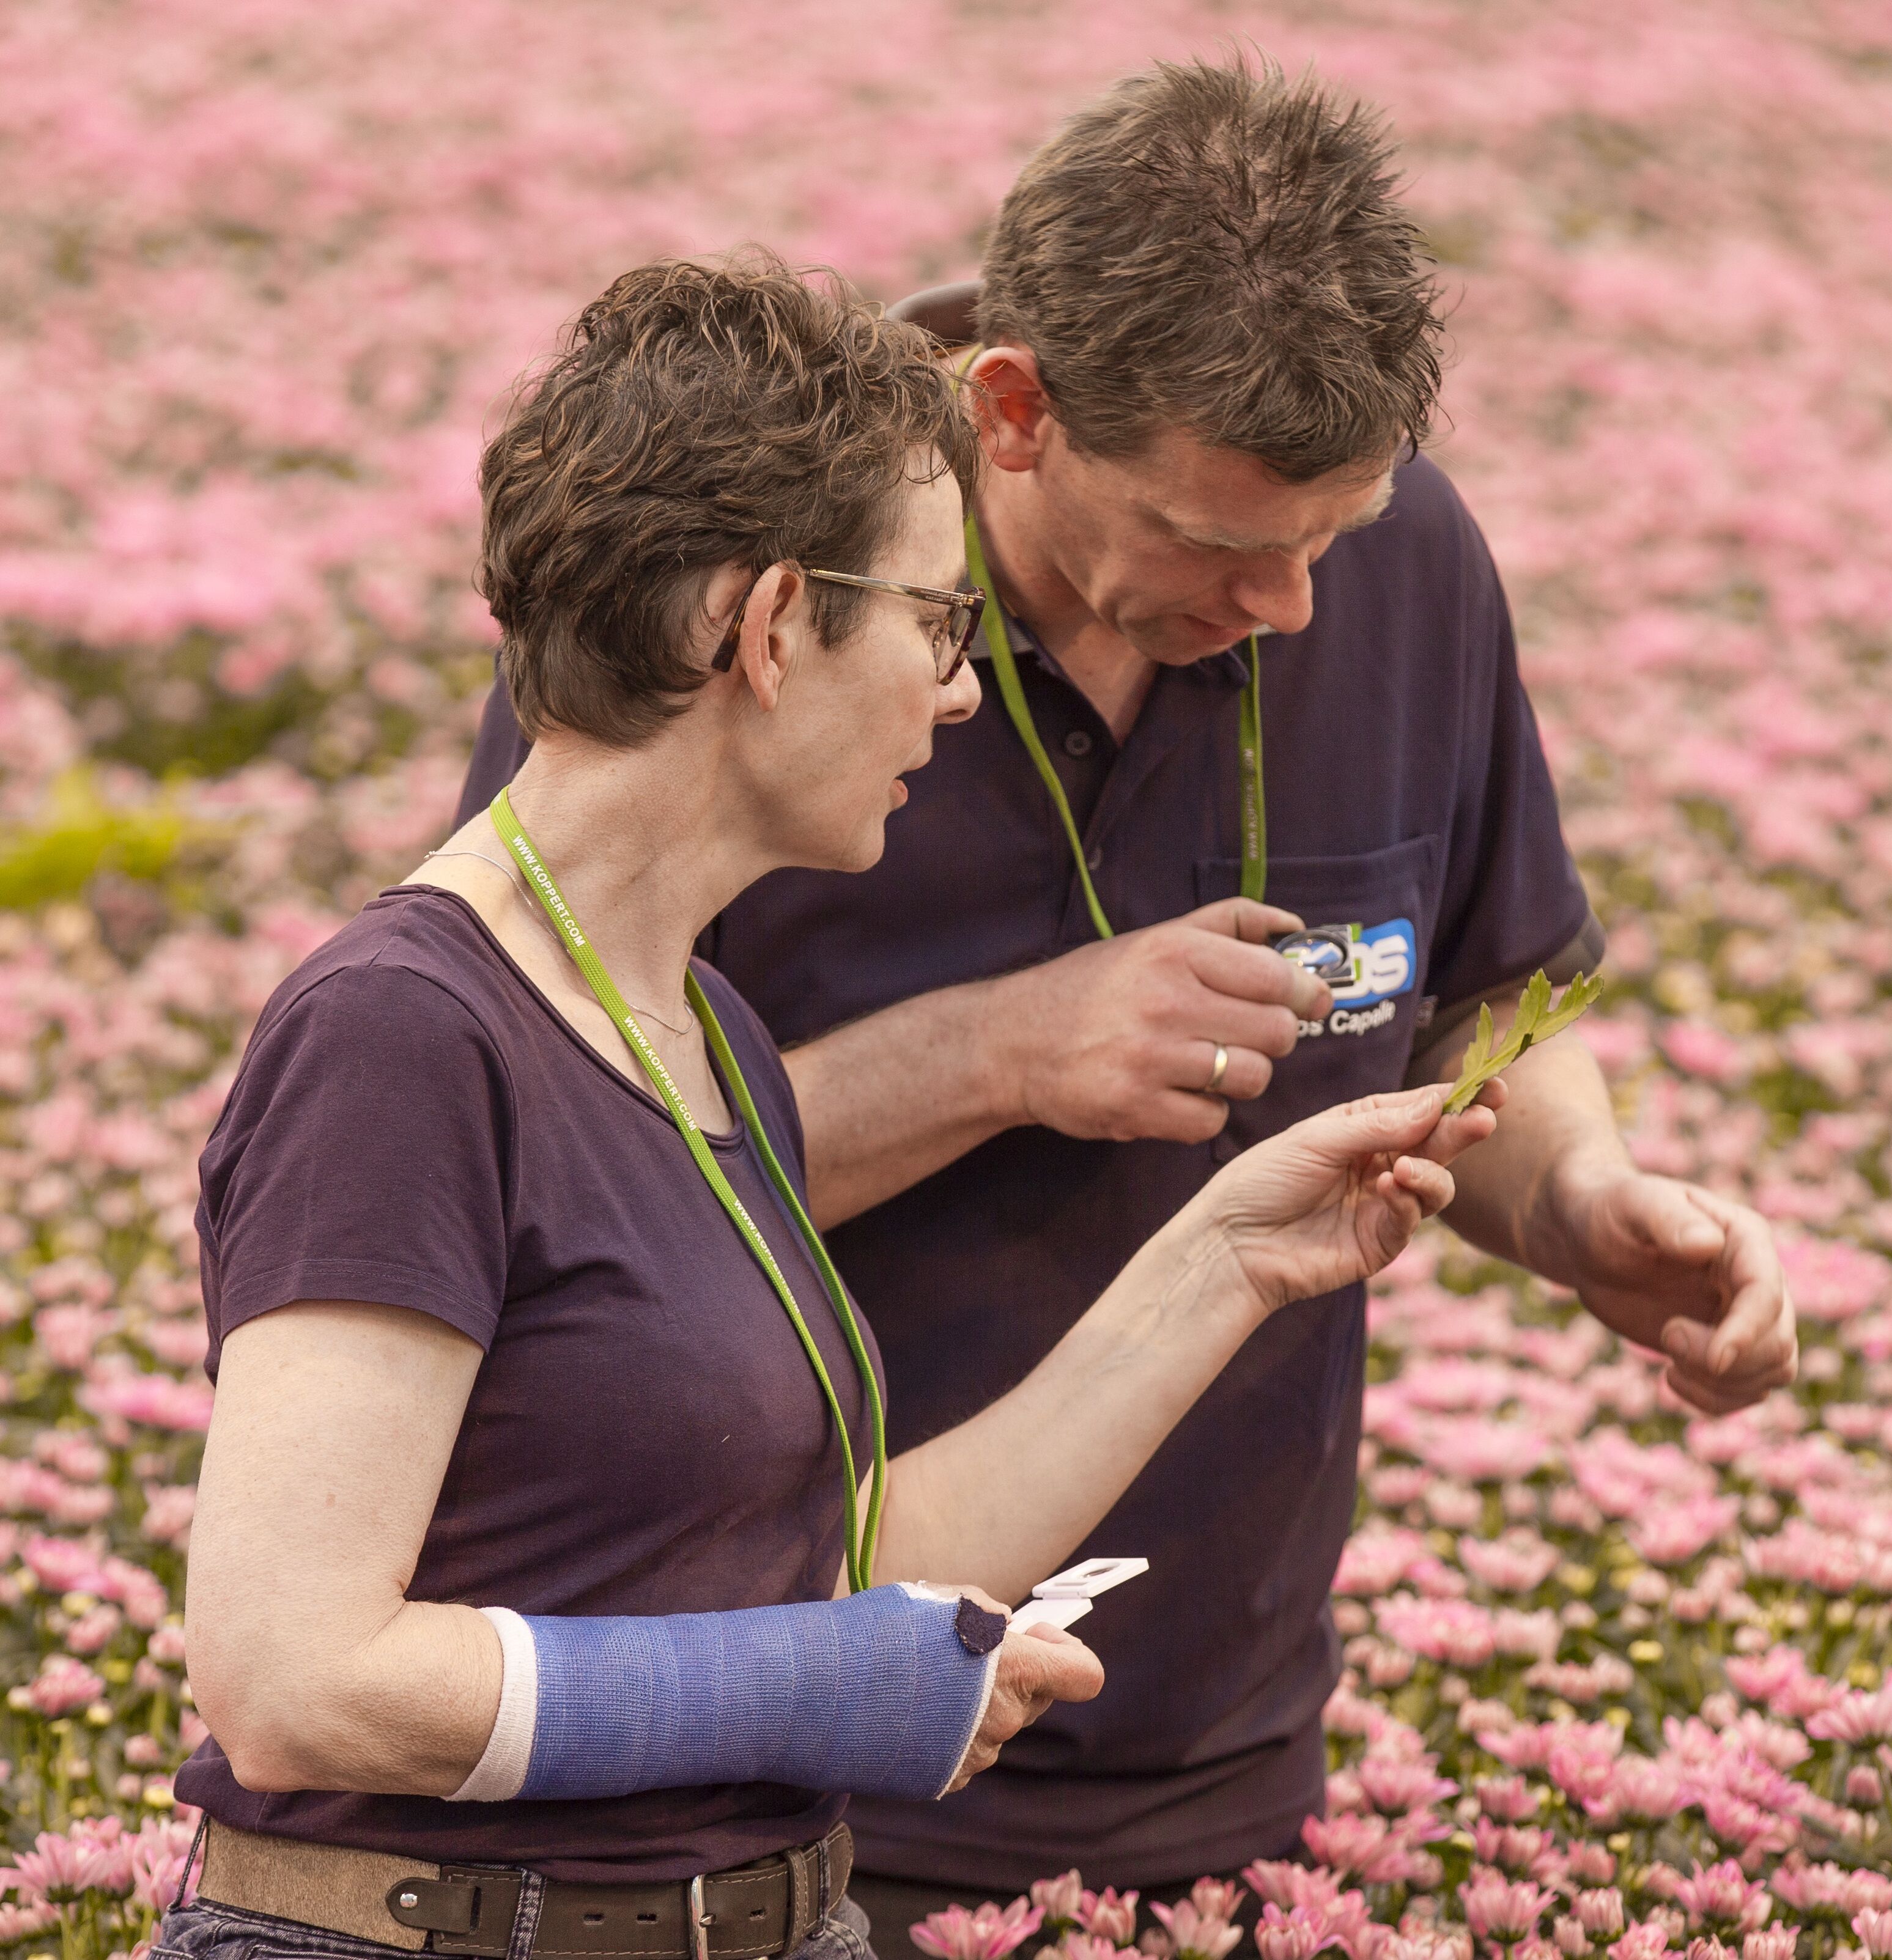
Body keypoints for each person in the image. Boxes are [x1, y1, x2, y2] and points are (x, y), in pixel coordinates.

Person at [457, 61, 1800, 1937]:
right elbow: (542, 1205)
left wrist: (1579, 1207)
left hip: (1236, 1749)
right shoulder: (740, 615)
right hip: (781, 1754)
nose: (1299, 610)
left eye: (1334, 537)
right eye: (1222, 544)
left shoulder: (1396, 561)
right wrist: (998, 1052)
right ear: (1013, 410)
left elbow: (1485, 997)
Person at [166, 252, 1501, 1960]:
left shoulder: (701, 1029)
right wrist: (818, 1686)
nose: (960, 690)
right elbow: (293, 1680)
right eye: (938, 624)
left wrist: (1227, 1262)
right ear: (778, 626)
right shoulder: (404, 1036)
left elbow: (824, 1564)